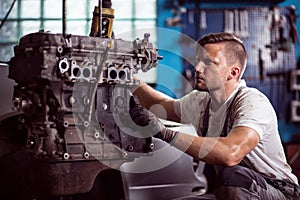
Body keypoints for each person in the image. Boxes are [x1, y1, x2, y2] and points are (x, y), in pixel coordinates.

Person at [128, 32, 300, 199]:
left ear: (233, 73)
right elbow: (163, 106)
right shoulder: (201, 101)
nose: (197, 68)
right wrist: (127, 79)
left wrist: (164, 133)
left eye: (209, 63)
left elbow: (231, 153)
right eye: (198, 61)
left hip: (277, 192)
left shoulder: (252, 102)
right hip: (232, 191)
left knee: (233, 176)